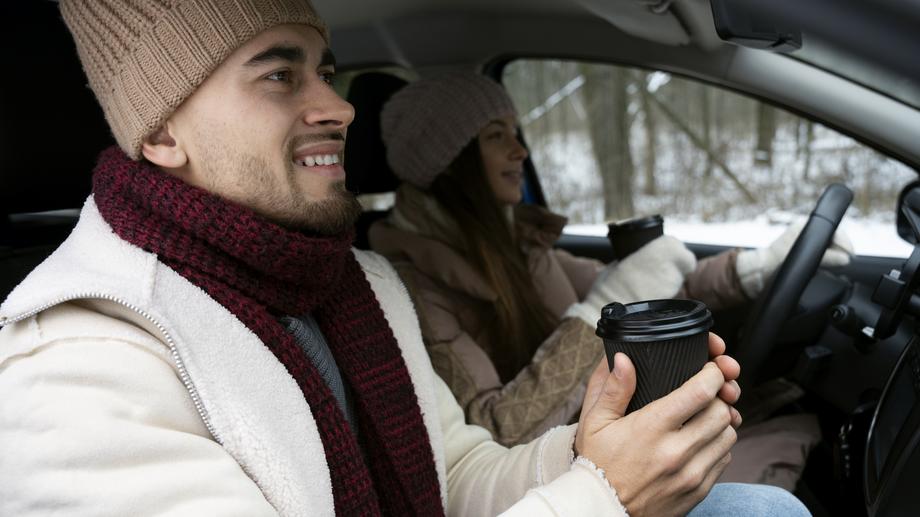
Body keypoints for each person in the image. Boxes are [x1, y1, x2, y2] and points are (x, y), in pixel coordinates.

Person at [0, 1, 808, 516]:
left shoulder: (355, 284)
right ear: (163, 133)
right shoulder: (75, 363)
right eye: (279, 74)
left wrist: (589, 449)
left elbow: (452, 478)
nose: (338, 106)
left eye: (323, 70)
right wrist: (603, 495)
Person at [370, 72, 849, 482]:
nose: (520, 150)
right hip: (562, 475)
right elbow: (499, 433)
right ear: (448, 161)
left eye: (515, 131)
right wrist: (606, 306)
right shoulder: (412, 287)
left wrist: (755, 266)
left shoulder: (520, 244)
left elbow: (646, 293)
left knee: (798, 427)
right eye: (496, 136)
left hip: (609, 443)